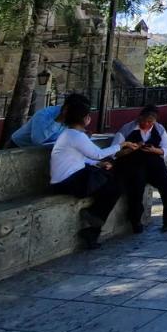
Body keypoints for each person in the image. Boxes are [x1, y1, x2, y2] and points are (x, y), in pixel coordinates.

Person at [48, 96, 126, 249]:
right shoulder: (75, 135)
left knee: (111, 181)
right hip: (68, 183)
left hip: (70, 178)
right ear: (85, 118)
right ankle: (94, 219)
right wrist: (120, 146)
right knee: (114, 184)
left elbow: (83, 157)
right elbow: (97, 153)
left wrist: (99, 163)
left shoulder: (69, 134)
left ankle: (93, 228)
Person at [113, 105, 167, 233]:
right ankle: (135, 220)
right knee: (136, 187)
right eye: (145, 121)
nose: (147, 124)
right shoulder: (127, 129)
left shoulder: (159, 129)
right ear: (139, 118)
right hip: (133, 163)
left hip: (154, 163)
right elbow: (114, 152)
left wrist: (154, 150)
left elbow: (166, 149)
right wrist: (131, 149)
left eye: (151, 122)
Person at [10, 93, 88, 147]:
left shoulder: (73, 117)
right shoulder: (44, 115)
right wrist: (59, 120)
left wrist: (81, 127)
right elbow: (37, 141)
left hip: (43, 151)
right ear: (66, 108)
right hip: (18, 147)